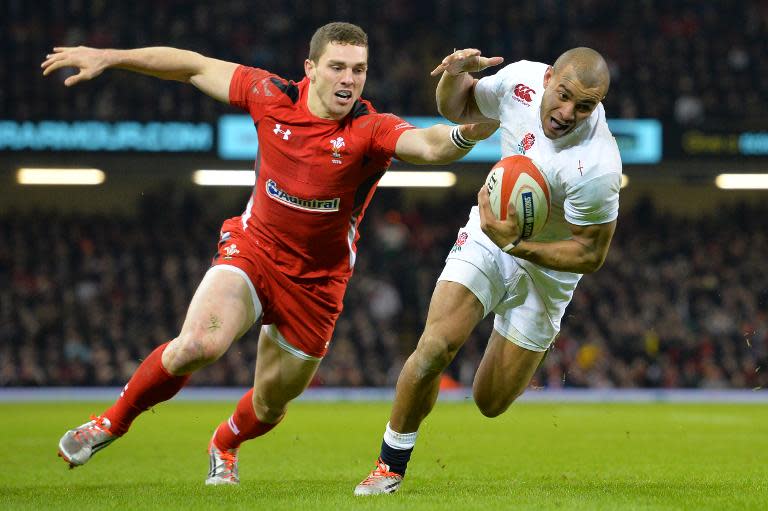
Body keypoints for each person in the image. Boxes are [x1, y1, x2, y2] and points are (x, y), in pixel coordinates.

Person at [42, 22, 499, 485]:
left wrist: (470, 132)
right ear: (310, 69)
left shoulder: (369, 128)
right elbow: (193, 66)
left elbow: (425, 143)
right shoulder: (269, 94)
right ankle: (111, 422)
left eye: (358, 70)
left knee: (270, 403)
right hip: (253, 251)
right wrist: (111, 56)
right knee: (198, 344)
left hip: (318, 285)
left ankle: (224, 442)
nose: (348, 79)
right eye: (337, 67)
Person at [354, 47, 621, 495]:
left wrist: (519, 245)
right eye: (564, 95)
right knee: (435, 346)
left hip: (547, 270)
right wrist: (453, 76)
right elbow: (457, 106)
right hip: (489, 232)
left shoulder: (597, 165)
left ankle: (508, 329)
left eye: (584, 106)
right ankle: (389, 466)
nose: (568, 112)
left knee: (490, 402)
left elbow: (590, 255)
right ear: (549, 77)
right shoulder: (520, 82)